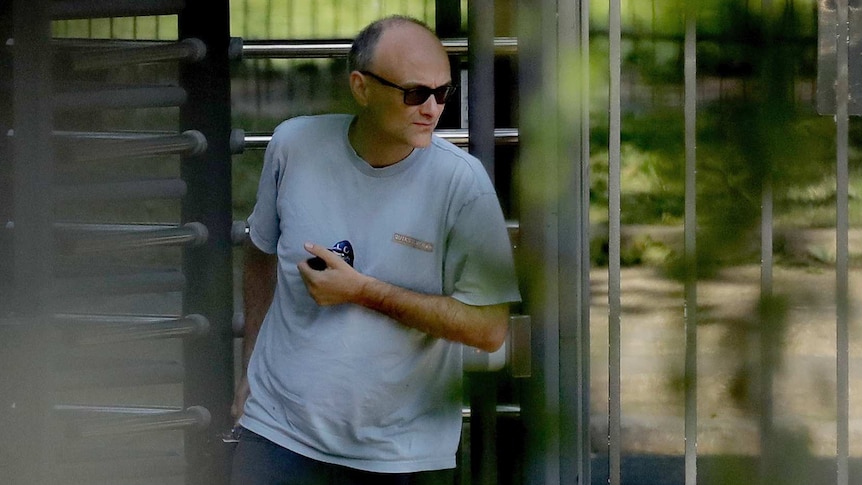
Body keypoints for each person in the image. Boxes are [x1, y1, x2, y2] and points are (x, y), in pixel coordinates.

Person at [230, 15, 520, 485]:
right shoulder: (292, 145)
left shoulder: (462, 185)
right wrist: (250, 370)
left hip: (399, 455)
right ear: (361, 87)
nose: (432, 108)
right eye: (414, 93)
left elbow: (489, 329)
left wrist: (363, 291)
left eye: (442, 93)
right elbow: (260, 255)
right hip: (276, 435)